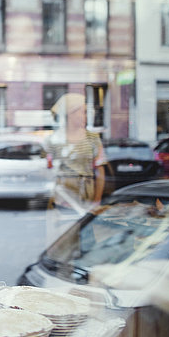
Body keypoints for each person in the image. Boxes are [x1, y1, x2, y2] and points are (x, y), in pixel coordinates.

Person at [45, 92, 107, 245]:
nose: (86, 115)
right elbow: (48, 170)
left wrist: (97, 200)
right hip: (63, 197)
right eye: (83, 111)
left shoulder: (92, 138)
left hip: (86, 195)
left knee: (86, 237)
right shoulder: (53, 140)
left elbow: (100, 170)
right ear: (70, 114)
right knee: (64, 239)